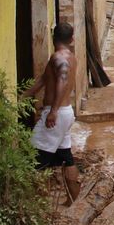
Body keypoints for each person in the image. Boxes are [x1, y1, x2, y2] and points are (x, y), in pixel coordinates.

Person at [26, 21, 81, 203]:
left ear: (52, 37)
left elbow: (62, 81)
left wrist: (53, 111)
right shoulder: (70, 57)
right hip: (65, 113)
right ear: (72, 39)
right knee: (66, 158)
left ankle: (36, 206)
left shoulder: (59, 58)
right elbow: (44, 79)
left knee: (33, 159)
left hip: (56, 114)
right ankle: (73, 202)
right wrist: (23, 96)